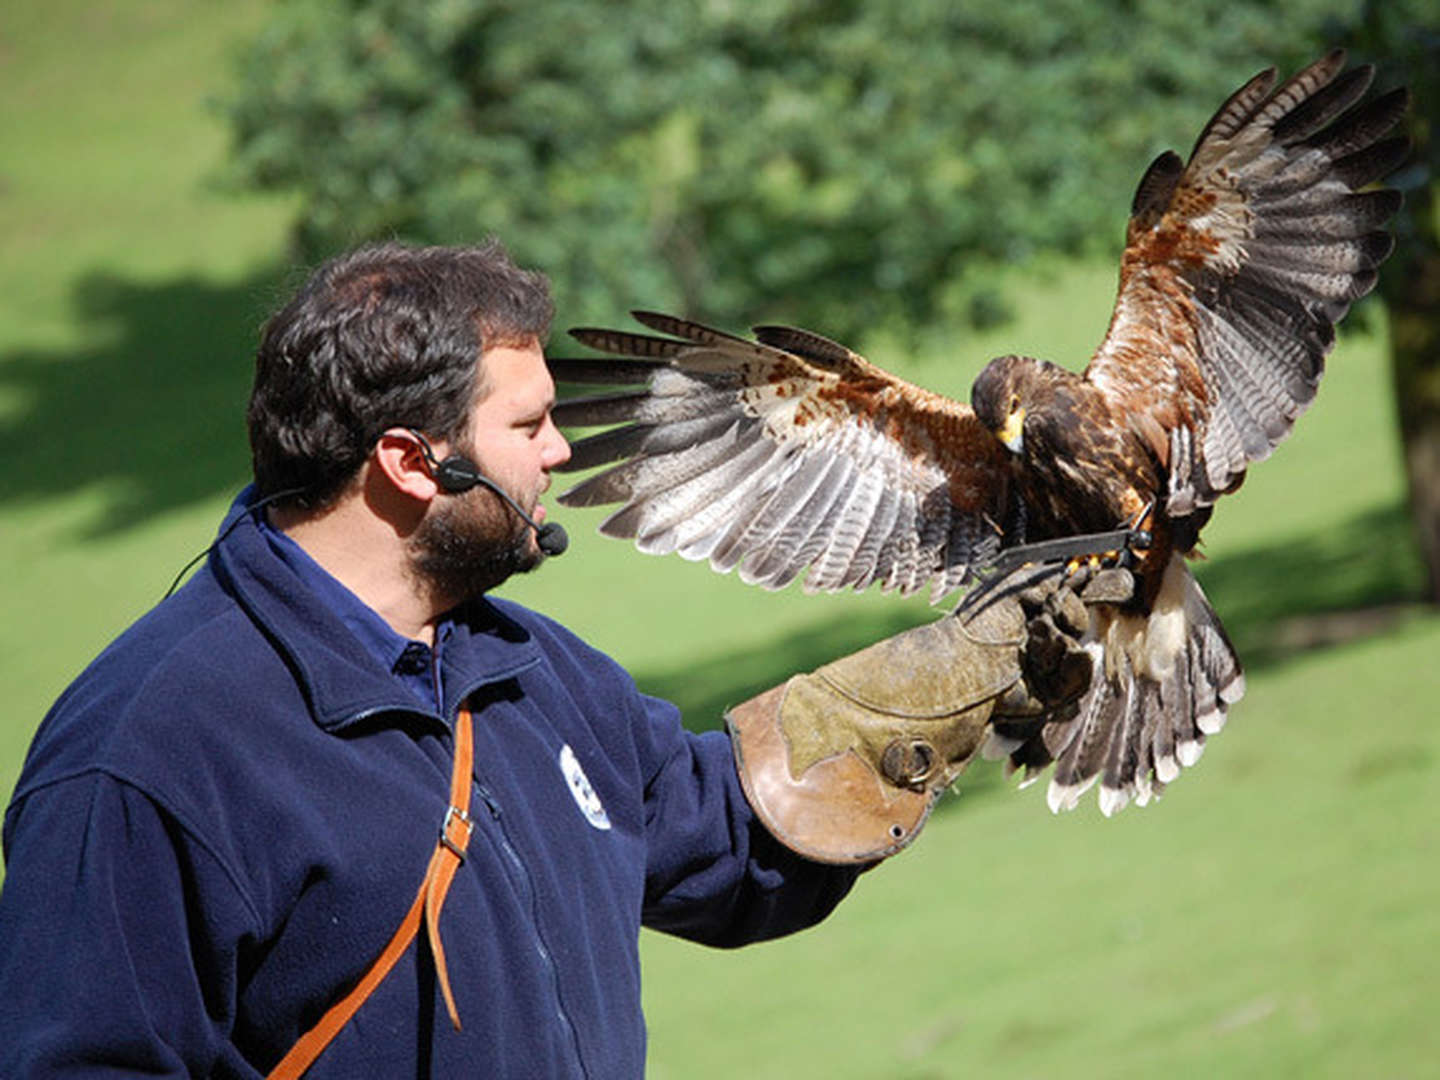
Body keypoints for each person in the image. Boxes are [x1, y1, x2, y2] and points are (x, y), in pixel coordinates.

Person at [0, 240, 1088, 1077]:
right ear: (409, 464)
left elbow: (728, 838)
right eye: (530, 428)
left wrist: (968, 676)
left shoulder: (524, 668)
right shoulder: (148, 751)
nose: (560, 453)